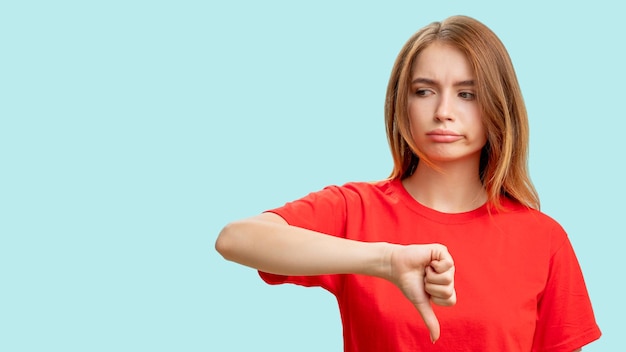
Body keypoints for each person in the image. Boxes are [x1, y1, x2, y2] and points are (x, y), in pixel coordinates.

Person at [215, 15, 601, 351]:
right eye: (424, 91)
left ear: (498, 106)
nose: (443, 112)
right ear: (403, 103)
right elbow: (235, 239)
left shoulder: (544, 240)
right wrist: (384, 261)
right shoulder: (356, 210)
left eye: (467, 94)